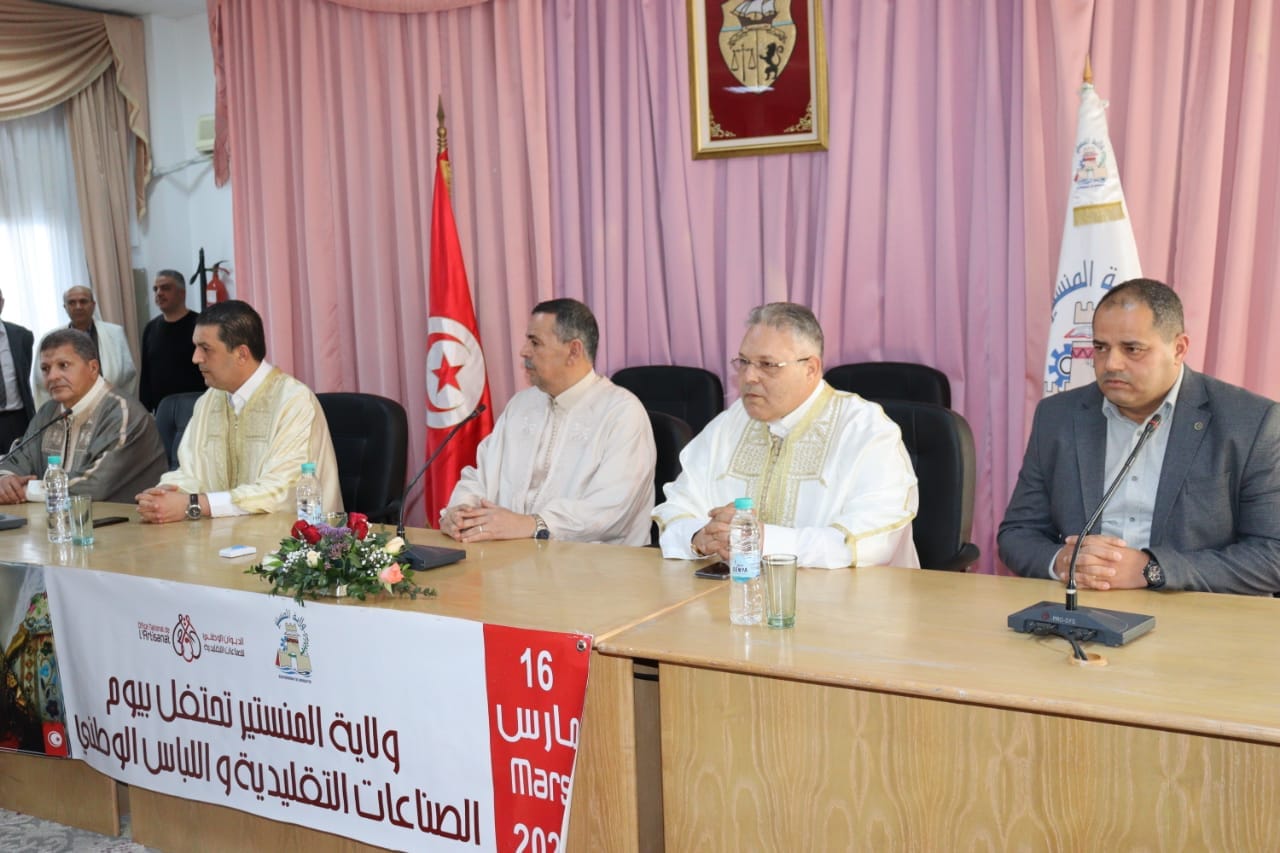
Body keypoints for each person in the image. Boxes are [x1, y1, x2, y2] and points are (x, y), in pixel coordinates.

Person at [998, 278, 1280, 595]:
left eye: (1132, 349)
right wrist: (1062, 561)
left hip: (1191, 612)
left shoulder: (1251, 423)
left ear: (1179, 349)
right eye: (1101, 348)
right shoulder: (1057, 417)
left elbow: (1272, 555)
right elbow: (1018, 533)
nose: (1111, 364)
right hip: (1082, 605)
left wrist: (1151, 570)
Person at [653, 302, 919, 569]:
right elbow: (676, 507)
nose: (749, 376)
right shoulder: (728, 425)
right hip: (737, 591)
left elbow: (870, 540)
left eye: (767, 364)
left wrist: (765, 541)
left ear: (810, 369)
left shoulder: (866, 430)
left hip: (851, 594)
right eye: (744, 362)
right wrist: (700, 536)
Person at [439, 298, 655, 546]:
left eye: (535, 342)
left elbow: (612, 511)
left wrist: (532, 525)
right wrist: (461, 511)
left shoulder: (621, 413)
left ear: (574, 351)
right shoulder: (521, 405)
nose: (524, 351)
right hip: (512, 559)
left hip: (595, 564)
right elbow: (481, 477)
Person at [134, 299, 341, 522]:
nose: (195, 358)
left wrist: (195, 504)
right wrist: (164, 494)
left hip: (292, 539)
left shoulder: (294, 401)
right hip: (223, 537)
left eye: (205, 349)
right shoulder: (210, 400)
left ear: (242, 354)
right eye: (196, 347)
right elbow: (190, 472)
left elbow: (282, 490)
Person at [0, 329, 166, 503]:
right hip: (57, 516)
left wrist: (27, 491)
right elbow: (19, 459)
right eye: (45, 369)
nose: (52, 376)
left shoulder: (123, 413)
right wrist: (5, 480)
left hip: (123, 517)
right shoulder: (48, 411)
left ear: (93, 368)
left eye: (63, 365)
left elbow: (96, 486)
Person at [33, 286, 137, 404]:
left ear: (93, 305)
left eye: (83, 301)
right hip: (69, 406)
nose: (78, 307)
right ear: (65, 307)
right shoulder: (51, 339)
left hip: (109, 402)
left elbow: (128, 375)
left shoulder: (114, 333)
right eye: (72, 302)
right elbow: (41, 381)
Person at [139, 270, 205, 411]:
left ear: (182, 293)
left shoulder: (201, 325)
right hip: (162, 411)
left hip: (196, 407)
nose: (159, 293)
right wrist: (145, 410)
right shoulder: (150, 328)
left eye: (165, 288)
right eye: (155, 289)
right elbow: (146, 375)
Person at [0, 289, 35, 452]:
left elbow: (24, 373)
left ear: (2, 303)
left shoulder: (22, 336)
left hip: (19, 418)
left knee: (23, 463)